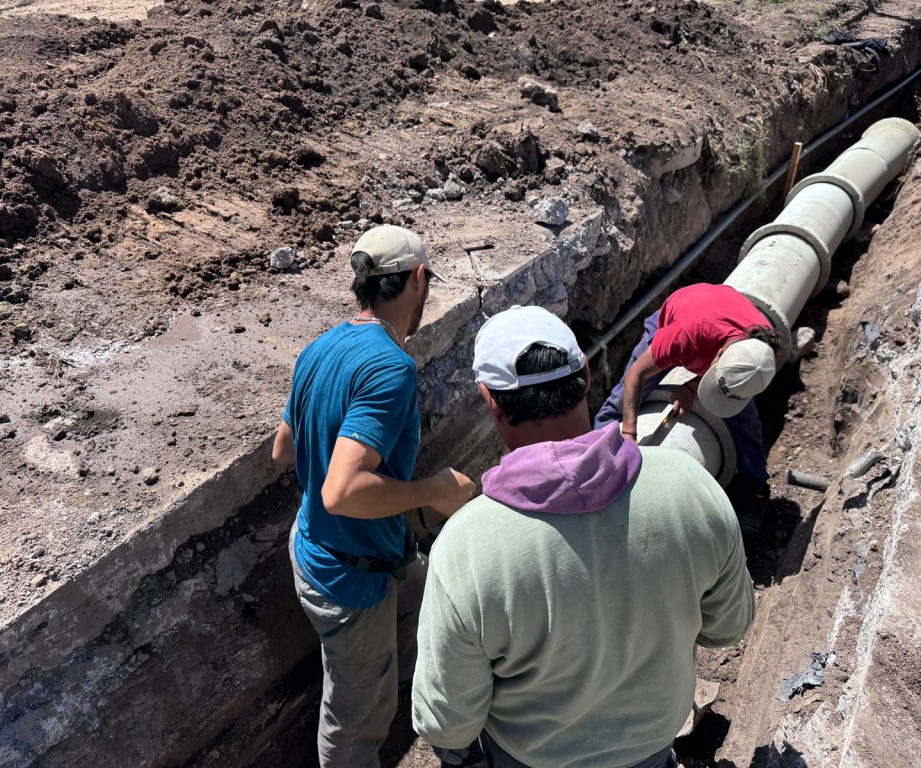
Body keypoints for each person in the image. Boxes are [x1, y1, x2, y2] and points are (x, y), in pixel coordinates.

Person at [412, 305, 755, 768]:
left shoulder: (464, 547)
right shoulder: (692, 487)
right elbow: (727, 628)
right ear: (588, 374)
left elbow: (446, 723)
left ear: (490, 400)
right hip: (650, 750)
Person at [271, 225, 476, 768]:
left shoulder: (322, 346)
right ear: (416, 279)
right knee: (355, 720)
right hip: (348, 580)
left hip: (324, 547)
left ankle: (414, 691)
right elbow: (342, 491)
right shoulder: (390, 368)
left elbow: (284, 449)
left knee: (427, 595)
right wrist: (435, 490)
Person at [593, 283, 781, 501]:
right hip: (687, 309)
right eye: (715, 380)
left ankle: (755, 488)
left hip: (722, 308)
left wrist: (692, 386)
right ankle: (596, 470)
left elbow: (734, 374)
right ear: (719, 354)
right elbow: (637, 374)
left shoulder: (761, 357)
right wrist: (629, 433)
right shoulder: (684, 337)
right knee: (617, 406)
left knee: (746, 424)